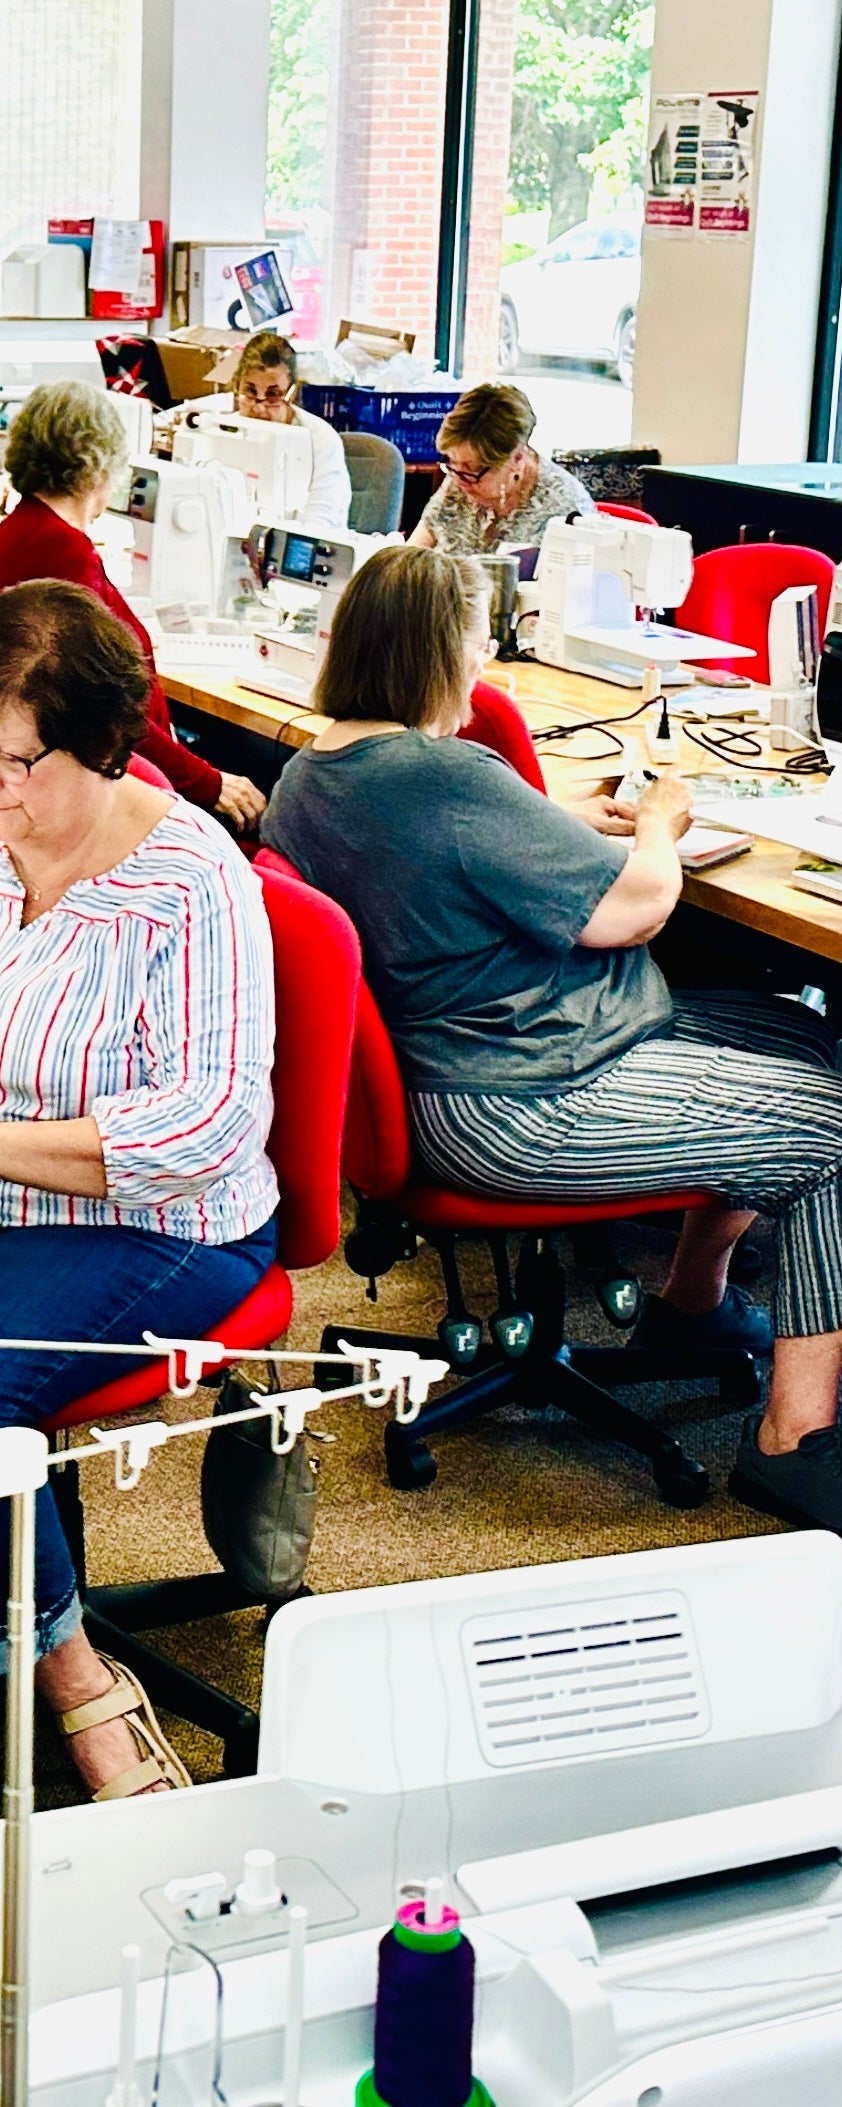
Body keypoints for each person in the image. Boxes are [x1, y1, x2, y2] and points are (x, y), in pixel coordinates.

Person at [261, 546, 842, 1549]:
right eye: (475, 643)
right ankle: (792, 1444)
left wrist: (552, 822)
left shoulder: (318, 772)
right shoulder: (443, 774)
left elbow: (444, 846)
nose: (483, 660)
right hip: (520, 1096)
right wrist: (658, 821)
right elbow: (638, 908)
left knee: (799, 1035)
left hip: (465, 1062)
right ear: (440, 655)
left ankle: (692, 1301)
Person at [0, 580, 279, 1799]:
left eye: (17, 759)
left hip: (170, 1227)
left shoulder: (189, 880)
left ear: (106, 746)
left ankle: (82, 1699)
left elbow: (210, 1125)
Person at [0, 381, 268, 829]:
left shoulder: (17, 534)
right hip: (85, 793)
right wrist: (207, 783)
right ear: (100, 464)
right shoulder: (65, 557)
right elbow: (107, 710)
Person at [162, 331, 351, 532]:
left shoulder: (320, 439)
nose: (259, 408)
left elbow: (323, 519)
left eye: (273, 395)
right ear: (237, 385)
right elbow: (166, 419)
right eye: (250, 392)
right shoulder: (222, 422)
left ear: (292, 393)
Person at [409, 383, 595, 555]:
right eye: (452, 462)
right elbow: (414, 549)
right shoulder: (461, 476)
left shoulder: (564, 510)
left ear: (517, 458)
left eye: (473, 469)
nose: (457, 481)